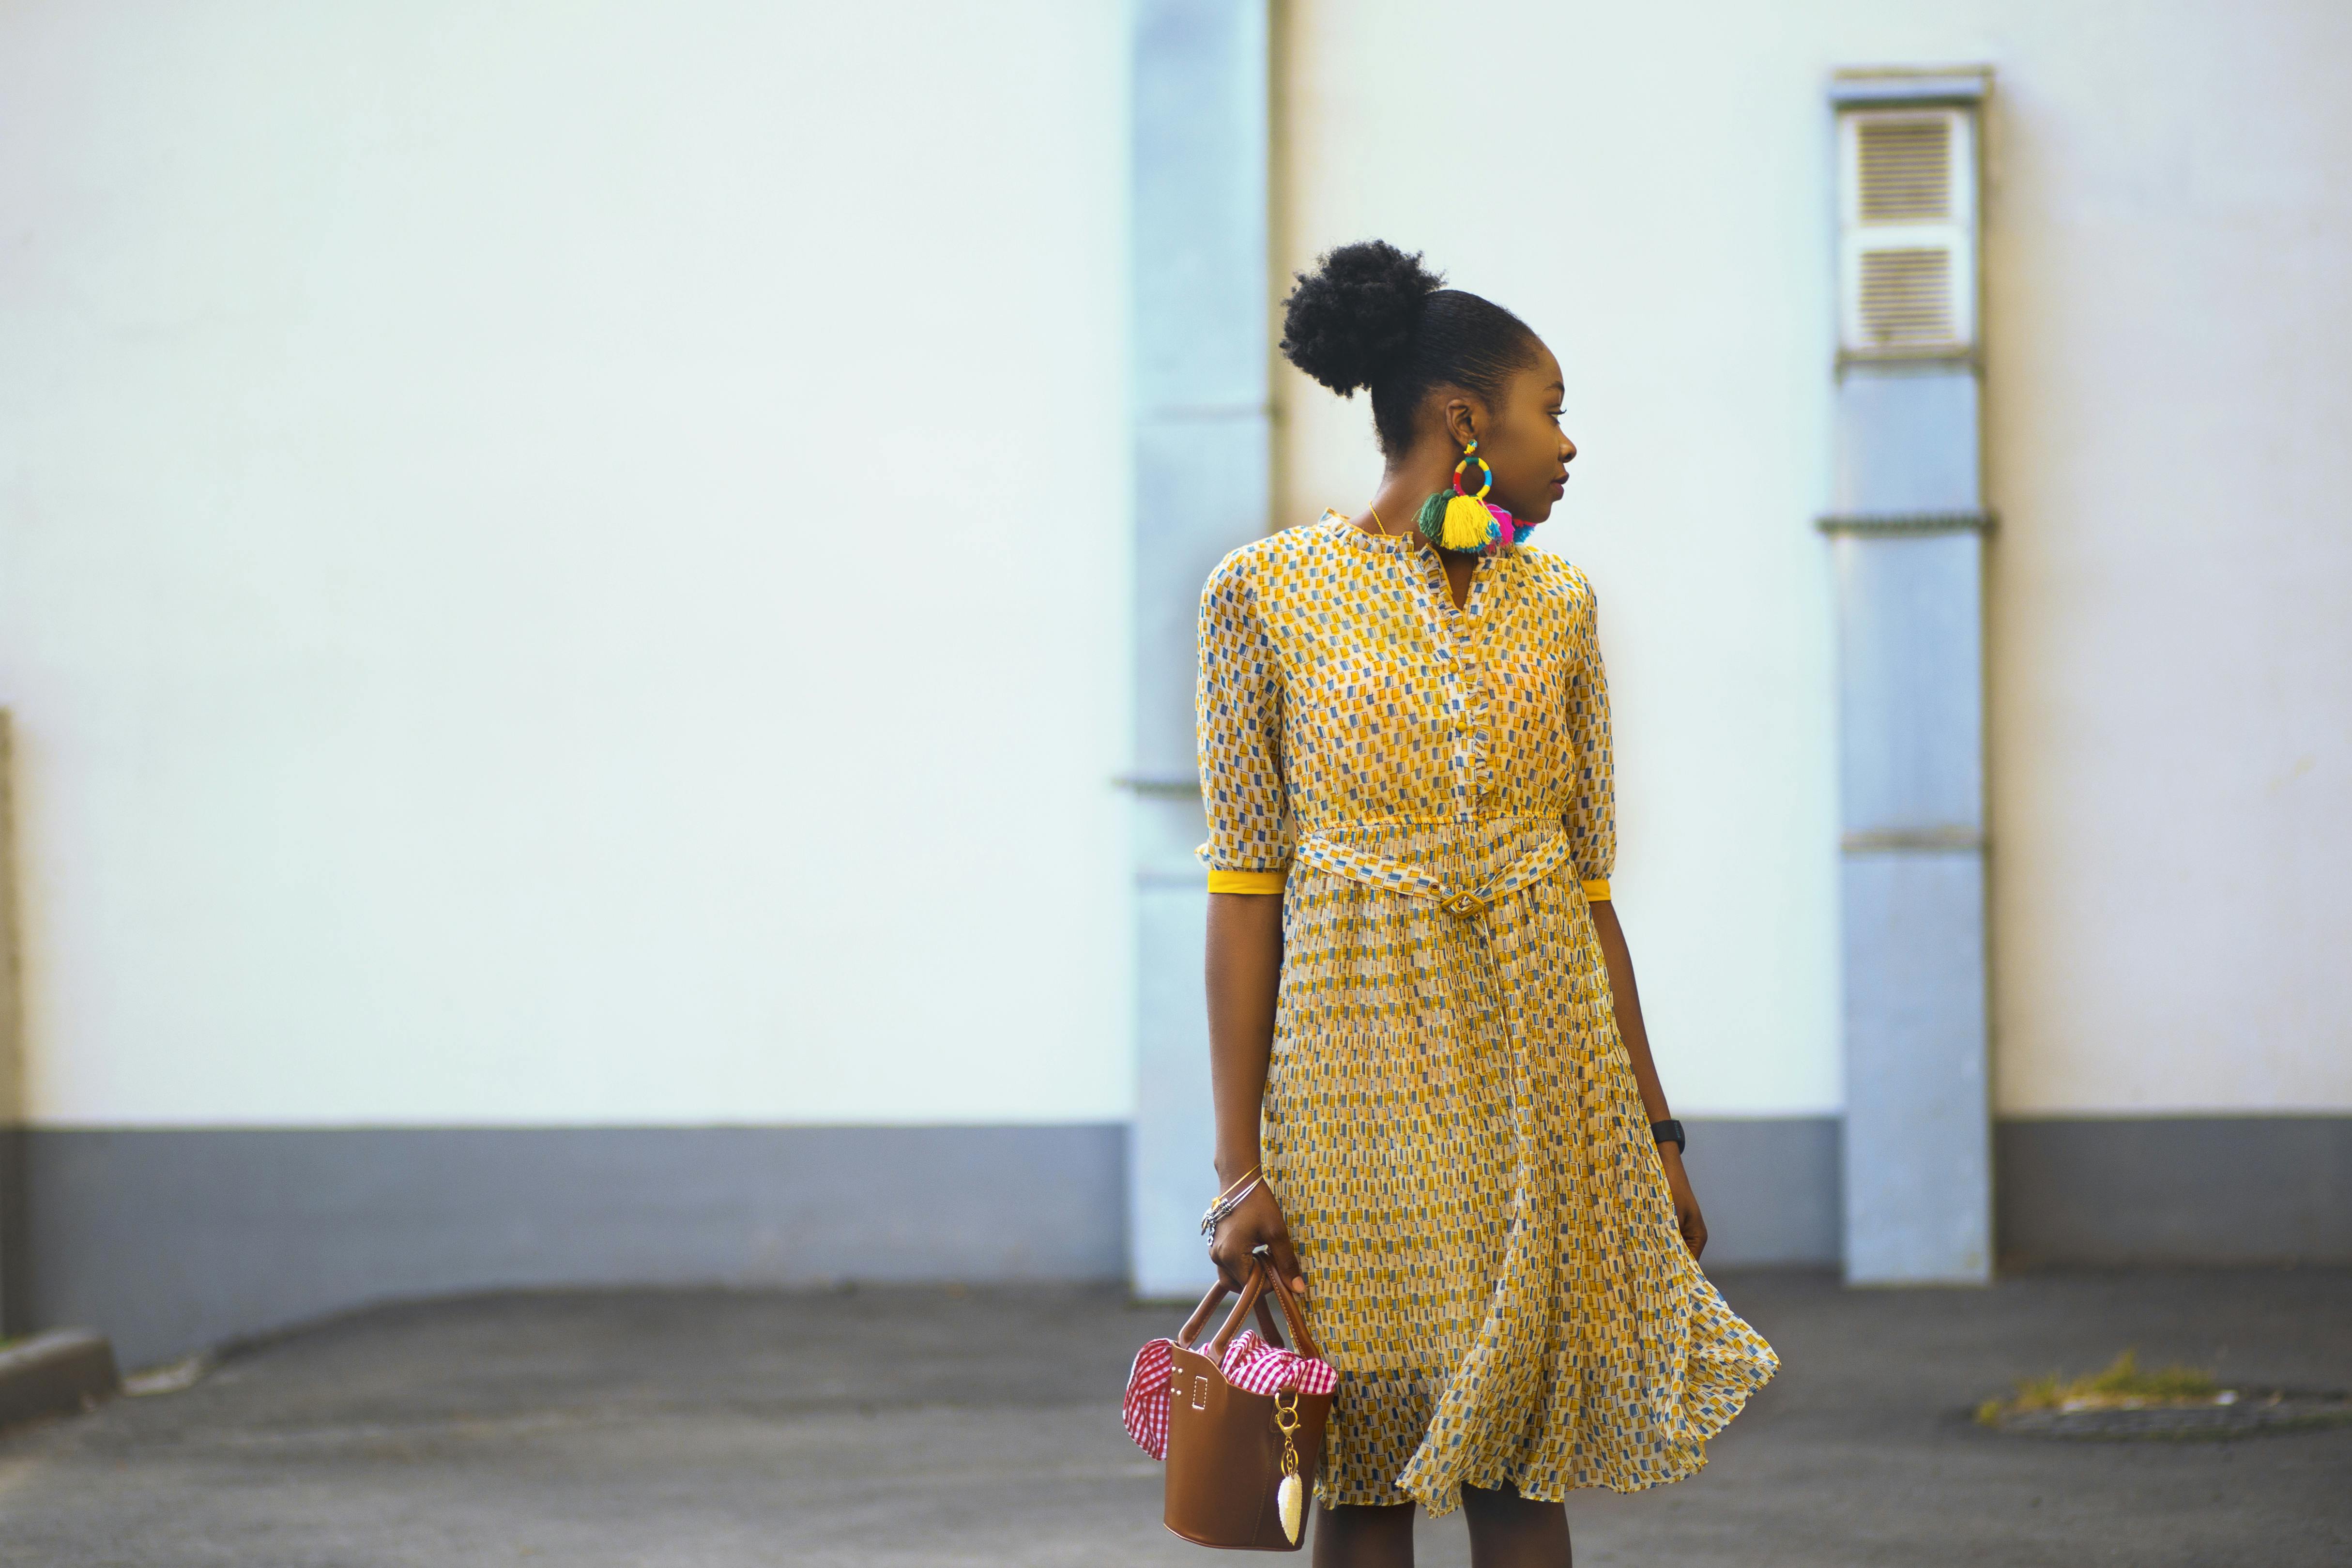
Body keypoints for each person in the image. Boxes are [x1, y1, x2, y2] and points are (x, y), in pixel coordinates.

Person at [1196, 241, 1779, 1568]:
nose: (1567, 446)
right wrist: (1240, 1170)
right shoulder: (1262, 595)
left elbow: (1588, 896)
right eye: (1550, 409)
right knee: (1368, 1471)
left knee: (1524, 1456)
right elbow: (1241, 898)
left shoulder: (1558, 608)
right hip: (1350, 1084)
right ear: (1466, 421)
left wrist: (1657, 1130)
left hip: (1541, 1076)